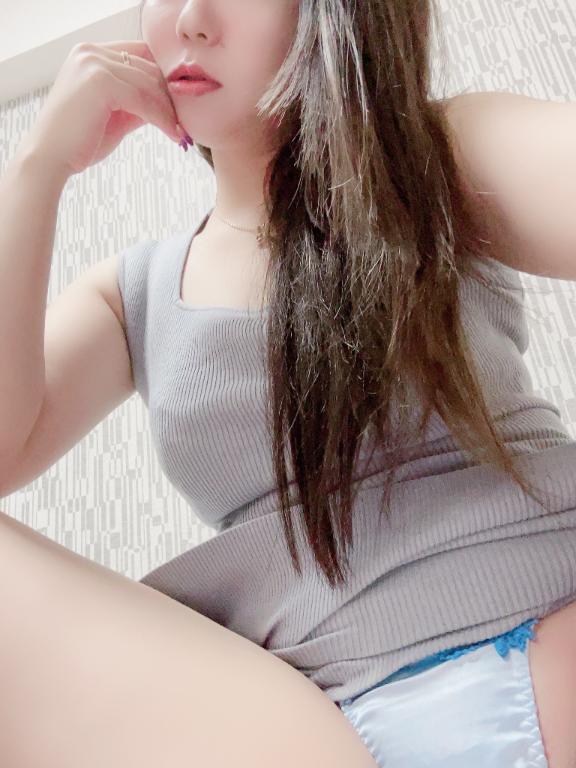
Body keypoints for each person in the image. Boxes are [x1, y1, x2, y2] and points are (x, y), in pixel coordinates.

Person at [0, 1, 575, 765]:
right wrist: (38, 167)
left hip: (536, 635)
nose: (192, 19)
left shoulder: (436, 158)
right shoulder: (132, 294)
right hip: (301, 727)